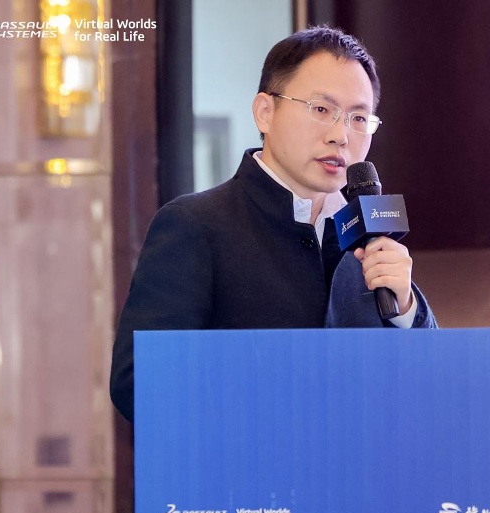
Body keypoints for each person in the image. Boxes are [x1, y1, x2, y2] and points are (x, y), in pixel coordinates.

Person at [110, 26, 438, 422]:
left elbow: (432, 386)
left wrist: (405, 309)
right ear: (265, 112)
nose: (341, 136)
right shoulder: (194, 226)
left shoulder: (367, 240)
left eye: (358, 118)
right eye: (321, 110)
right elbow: (139, 383)